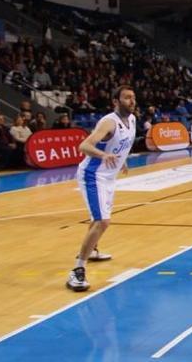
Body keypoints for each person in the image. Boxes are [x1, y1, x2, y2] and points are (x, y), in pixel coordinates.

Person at [66, 86, 137, 292]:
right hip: (93, 175)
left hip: (109, 176)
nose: (131, 101)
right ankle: (77, 270)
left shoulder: (132, 120)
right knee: (102, 221)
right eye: (127, 98)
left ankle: (92, 249)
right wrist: (104, 156)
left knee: (98, 219)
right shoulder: (109, 122)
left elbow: (122, 145)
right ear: (116, 101)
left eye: (133, 98)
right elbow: (84, 146)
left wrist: (120, 161)